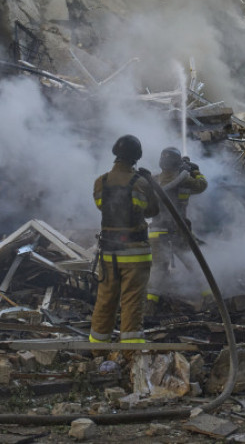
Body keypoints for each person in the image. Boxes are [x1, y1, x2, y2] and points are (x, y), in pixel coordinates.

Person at [89, 134, 159, 345]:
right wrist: (150, 184)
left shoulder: (101, 182)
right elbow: (152, 211)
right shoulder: (140, 183)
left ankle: (98, 348)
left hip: (108, 254)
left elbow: (102, 207)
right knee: (132, 301)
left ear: (115, 153)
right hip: (135, 254)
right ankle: (130, 351)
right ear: (137, 156)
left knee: (105, 300)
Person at [147, 147, 207, 306]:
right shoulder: (184, 179)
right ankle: (211, 298)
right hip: (179, 231)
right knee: (195, 265)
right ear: (177, 163)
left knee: (158, 270)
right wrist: (195, 171)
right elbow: (202, 185)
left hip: (156, 233)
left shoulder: (154, 180)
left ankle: (149, 306)